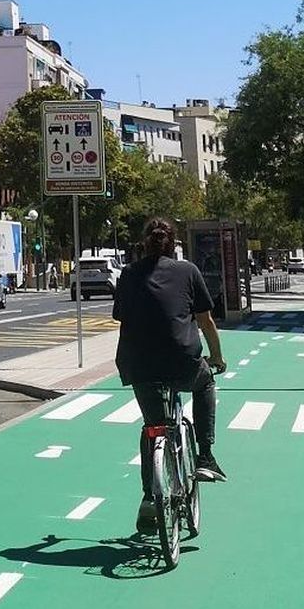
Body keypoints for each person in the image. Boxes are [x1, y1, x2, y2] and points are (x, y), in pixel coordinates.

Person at [113, 216, 230, 510]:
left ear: (144, 243)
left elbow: (121, 317)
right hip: (183, 361)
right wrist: (217, 358)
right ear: (174, 244)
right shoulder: (188, 271)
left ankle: (149, 500)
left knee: (152, 427)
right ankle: (205, 456)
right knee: (205, 383)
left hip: (137, 364)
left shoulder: (128, 273)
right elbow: (205, 321)